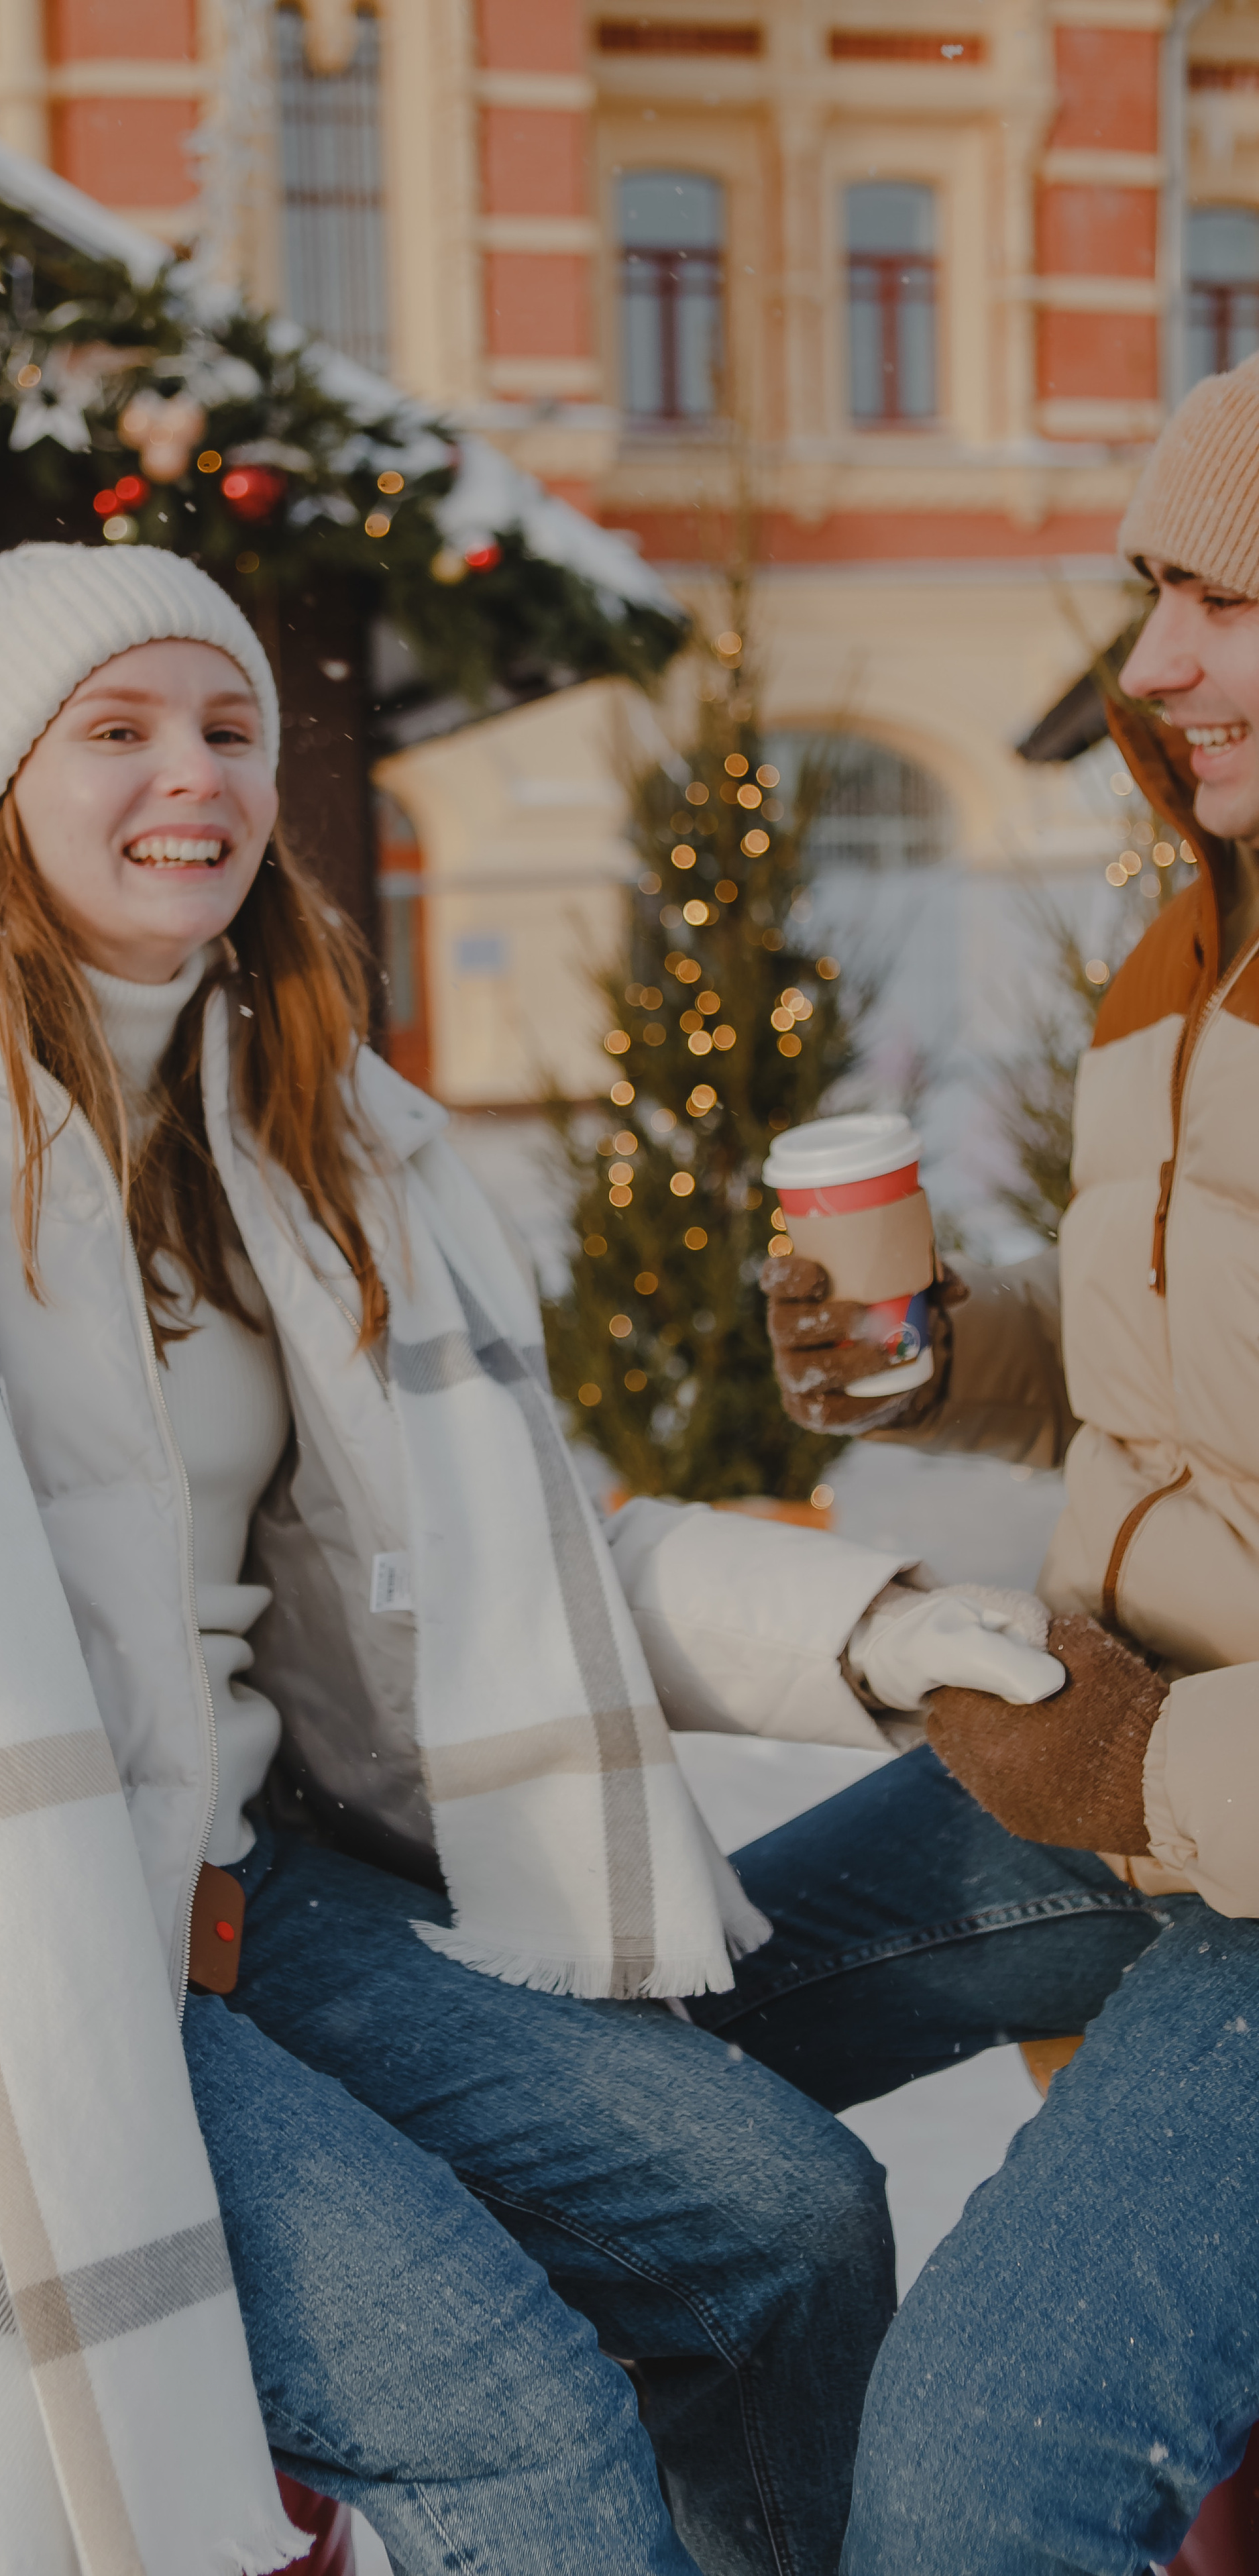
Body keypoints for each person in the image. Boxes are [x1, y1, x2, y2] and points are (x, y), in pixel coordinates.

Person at [0, 544, 1062, 2576]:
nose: (195, 776)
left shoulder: (310, 1136)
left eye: (230, 728)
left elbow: (515, 1559)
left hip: (249, 1884)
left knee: (777, 2226)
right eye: (120, 730)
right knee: (512, 2427)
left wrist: (873, 1630)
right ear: (0, 783)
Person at [735, 353, 1259, 2575]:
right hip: (1119, 1759)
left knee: (976, 2489)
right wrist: (939, 1359)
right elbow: (1169, 1389)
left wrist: (1147, 1769)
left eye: (1227, 598)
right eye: (1158, 591)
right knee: (644, 2085)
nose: (1154, 663)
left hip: (1192, 1809)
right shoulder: (1195, 953)